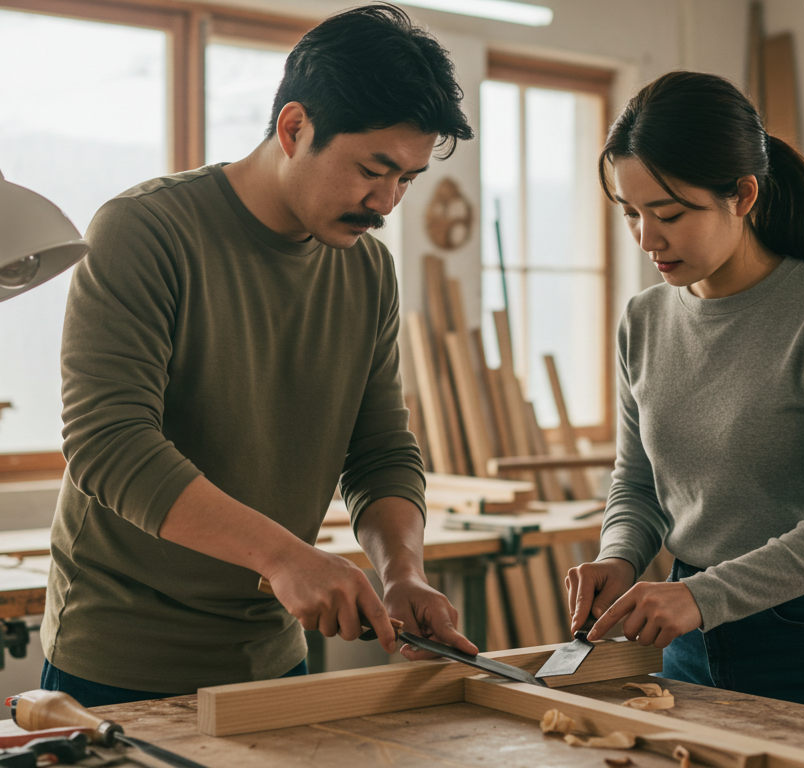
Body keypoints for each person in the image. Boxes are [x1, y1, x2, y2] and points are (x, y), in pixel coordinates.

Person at [41, 4, 477, 706]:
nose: (388, 201)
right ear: (294, 127)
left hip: (271, 657)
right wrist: (283, 557)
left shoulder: (368, 271)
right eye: (374, 169)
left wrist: (402, 571)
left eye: (409, 178)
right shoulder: (145, 231)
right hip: (119, 661)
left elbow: (379, 451)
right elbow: (108, 444)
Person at [565, 71, 804, 720]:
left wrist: (703, 597)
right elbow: (638, 483)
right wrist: (620, 556)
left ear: (742, 195)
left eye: (668, 213)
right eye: (631, 213)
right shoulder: (644, 320)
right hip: (685, 628)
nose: (646, 239)